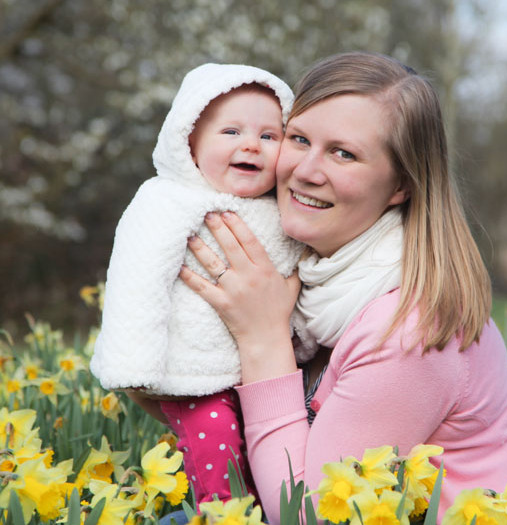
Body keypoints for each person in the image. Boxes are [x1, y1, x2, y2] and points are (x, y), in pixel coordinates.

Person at [180, 52, 507, 524]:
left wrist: (262, 340)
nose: (305, 170)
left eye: (343, 153)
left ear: (400, 185)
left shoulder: (409, 328)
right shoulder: (317, 279)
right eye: (299, 139)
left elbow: (306, 515)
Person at [89, 63, 311, 505]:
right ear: (188, 141)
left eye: (270, 136)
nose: (251, 144)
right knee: (219, 457)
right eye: (231, 132)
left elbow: (302, 274)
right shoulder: (167, 200)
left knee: (270, 462)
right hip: (193, 371)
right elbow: (137, 279)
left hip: (269, 370)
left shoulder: (285, 209)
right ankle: (223, 514)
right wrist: (132, 364)